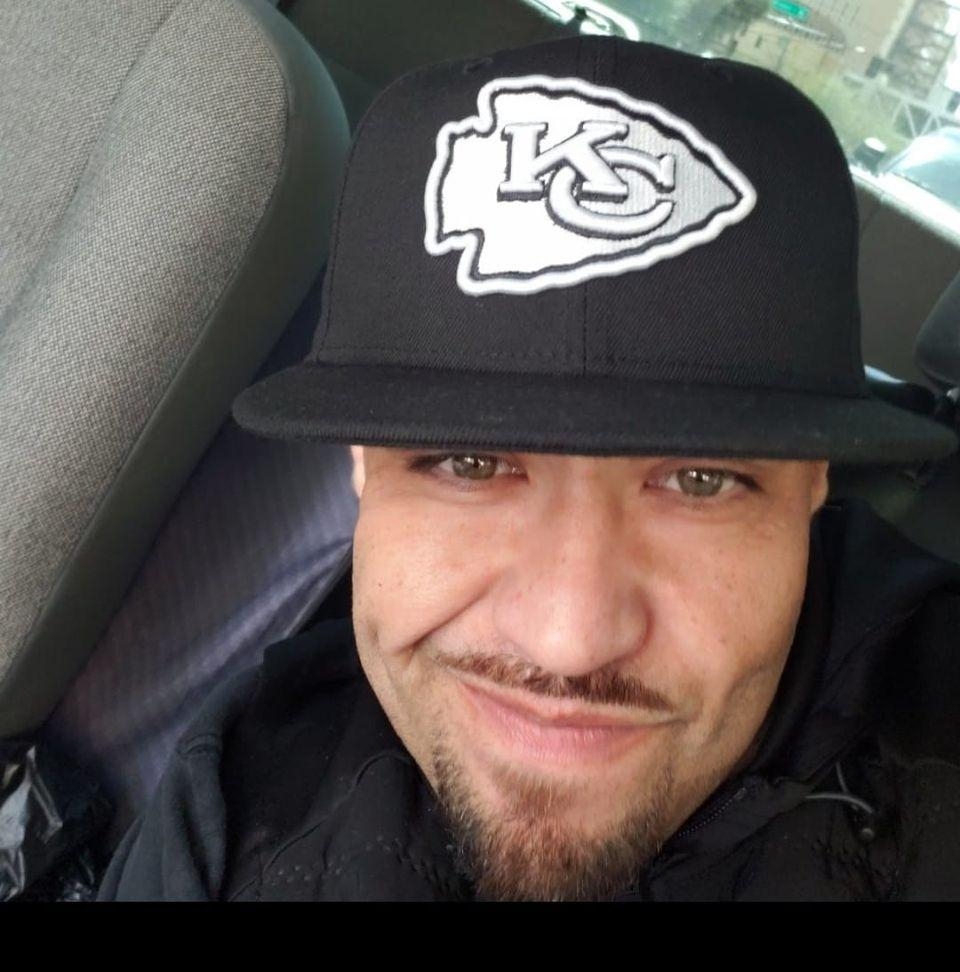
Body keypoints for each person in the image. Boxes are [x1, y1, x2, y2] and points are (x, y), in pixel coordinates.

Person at [98, 35, 960, 902]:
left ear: (814, 483)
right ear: (361, 464)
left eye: (701, 480)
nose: (568, 642)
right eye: (469, 463)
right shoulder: (234, 802)